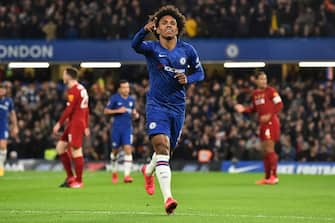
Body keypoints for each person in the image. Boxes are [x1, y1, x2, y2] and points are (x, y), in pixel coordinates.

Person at [131, 5, 205, 214]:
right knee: (161, 146)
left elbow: (200, 74)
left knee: (166, 152)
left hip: (178, 107)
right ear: (158, 28)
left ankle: (148, 170)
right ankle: (168, 199)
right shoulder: (152, 49)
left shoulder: (187, 50)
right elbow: (134, 45)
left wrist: (187, 78)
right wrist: (144, 30)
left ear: (178, 27)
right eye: (164, 23)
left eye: (173, 23)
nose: (169, 25)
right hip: (156, 105)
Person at [235, 71, 283, 185]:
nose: (264, 81)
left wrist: (269, 115)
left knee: (270, 149)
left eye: (265, 79)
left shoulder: (271, 91)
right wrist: (243, 109)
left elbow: (279, 104)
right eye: (261, 79)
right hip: (262, 124)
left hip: (271, 123)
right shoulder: (255, 94)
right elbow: (253, 109)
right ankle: (267, 177)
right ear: (256, 81)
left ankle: (274, 176)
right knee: (264, 152)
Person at [53, 67, 89, 188]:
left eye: (64, 74)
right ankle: (70, 177)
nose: (63, 77)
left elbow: (70, 109)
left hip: (76, 123)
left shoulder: (73, 90)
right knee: (60, 147)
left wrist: (59, 123)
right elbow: (86, 109)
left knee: (76, 150)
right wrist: (86, 125)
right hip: (76, 122)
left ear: (69, 76)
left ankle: (79, 181)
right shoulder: (81, 88)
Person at [104, 80, 139, 184]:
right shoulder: (114, 98)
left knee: (128, 149)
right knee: (115, 151)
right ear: (119, 89)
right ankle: (114, 171)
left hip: (127, 129)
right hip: (116, 129)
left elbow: (133, 112)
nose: (126, 89)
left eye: (127, 87)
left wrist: (135, 115)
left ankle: (127, 176)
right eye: (124, 87)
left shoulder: (131, 100)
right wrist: (117, 111)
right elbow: (106, 111)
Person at [0, 83, 18, 176]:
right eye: (1, 89)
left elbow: (12, 114)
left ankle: (1, 166)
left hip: (3, 126)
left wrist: (15, 126)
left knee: (3, 146)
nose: (2, 90)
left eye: (3, 89)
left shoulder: (8, 101)